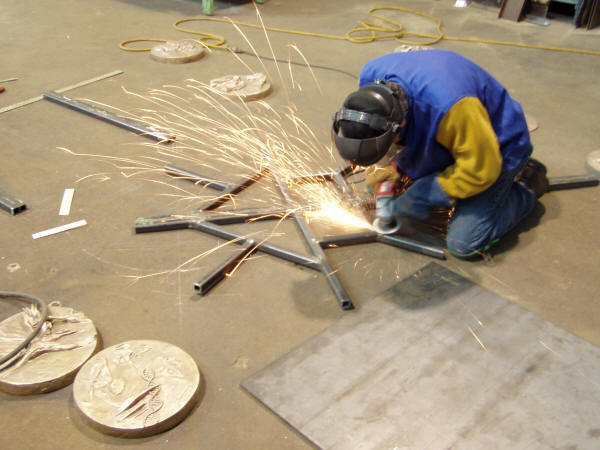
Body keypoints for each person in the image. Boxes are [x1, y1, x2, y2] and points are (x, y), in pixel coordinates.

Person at [331, 49, 548, 258]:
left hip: (495, 149)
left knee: (465, 242)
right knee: (380, 186)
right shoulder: (370, 79)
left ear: (401, 123)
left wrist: (420, 196)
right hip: (447, 132)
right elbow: (381, 132)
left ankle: (527, 183)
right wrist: (390, 164)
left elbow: (480, 170)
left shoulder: (455, 107)